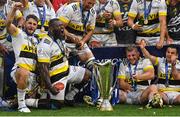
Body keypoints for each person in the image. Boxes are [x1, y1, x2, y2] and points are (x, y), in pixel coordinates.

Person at [36, 18, 91, 105]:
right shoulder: (45, 44)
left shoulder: (60, 38)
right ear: (51, 29)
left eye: (62, 26)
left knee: (88, 74)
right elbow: (43, 68)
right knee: (57, 104)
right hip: (56, 76)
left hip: (67, 71)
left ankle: (69, 97)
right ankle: (30, 101)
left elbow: (64, 52)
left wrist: (77, 45)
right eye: (59, 27)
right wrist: (50, 87)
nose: (62, 29)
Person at [6, 2, 39, 112]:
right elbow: (8, 24)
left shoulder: (37, 40)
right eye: (29, 23)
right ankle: (21, 105)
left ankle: (18, 101)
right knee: (24, 72)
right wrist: (14, 9)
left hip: (33, 76)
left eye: (34, 24)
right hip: (19, 71)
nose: (31, 26)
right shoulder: (18, 34)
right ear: (24, 23)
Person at [58, 0, 96, 70]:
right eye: (89, 3)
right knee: (61, 67)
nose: (90, 6)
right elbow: (60, 27)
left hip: (79, 43)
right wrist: (70, 36)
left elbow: (91, 31)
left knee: (92, 65)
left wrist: (83, 41)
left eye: (93, 4)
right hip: (65, 42)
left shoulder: (93, 12)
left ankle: (88, 80)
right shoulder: (71, 8)